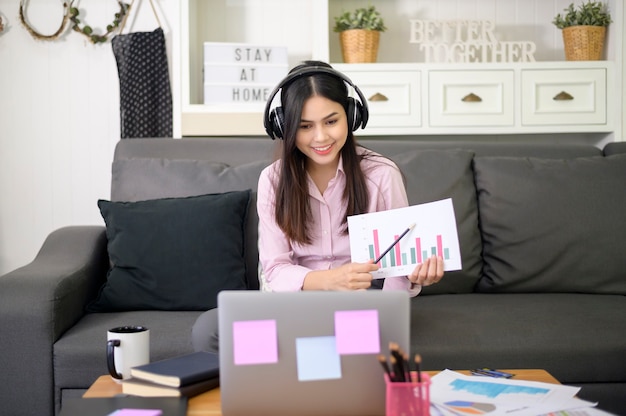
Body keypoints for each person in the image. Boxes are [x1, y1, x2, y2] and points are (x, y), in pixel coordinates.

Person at [191, 61, 444, 352]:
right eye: (305, 126)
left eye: (331, 121)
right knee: (209, 330)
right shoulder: (273, 180)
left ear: (351, 116)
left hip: (362, 307)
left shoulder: (382, 175)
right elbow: (276, 269)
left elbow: (398, 269)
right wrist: (330, 280)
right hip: (296, 306)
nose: (321, 137)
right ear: (284, 127)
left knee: (337, 346)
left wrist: (409, 285)